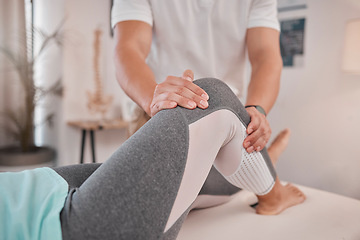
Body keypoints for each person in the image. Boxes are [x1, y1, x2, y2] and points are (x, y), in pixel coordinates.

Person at [0, 78, 305, 240]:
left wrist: (258, 112)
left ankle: (257, 165)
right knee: (210, 95)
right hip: (49, 225)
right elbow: (127, 48)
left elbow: (266, 53)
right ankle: (272, 193)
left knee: (181, 174)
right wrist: (154, 99)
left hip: (36, 192)